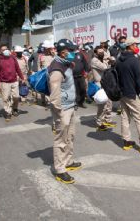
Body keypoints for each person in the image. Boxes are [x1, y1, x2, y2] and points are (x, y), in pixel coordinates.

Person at [48, 39, 81, 184]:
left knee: (70, 135)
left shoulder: (65, 63)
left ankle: (67, 160)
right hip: (62, 109)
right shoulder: (56, 68)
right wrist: (59, 112)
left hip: (70, 106)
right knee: (61, 139)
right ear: (63, 52)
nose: (74, 52)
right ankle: (60, 169)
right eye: (71, 50)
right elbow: (54, 95)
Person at [0, 44, 25, 121]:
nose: (5, 50)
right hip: (4, 82)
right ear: (0, 51)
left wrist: (22, 77)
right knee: (5, 98)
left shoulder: (13, 58)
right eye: (3, 49)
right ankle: (8, 112)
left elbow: (17, 68)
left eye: (6, 49)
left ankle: (15, 108)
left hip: (14, 81)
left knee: (16, 97)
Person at [91, 46, 116, 131]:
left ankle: (107, 119)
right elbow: (105, 67)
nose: (102, 53)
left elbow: (112, 61)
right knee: (102, 106)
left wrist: (109, 58)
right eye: (100, 52)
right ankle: (99, 123)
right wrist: (108, 60)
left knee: (109, 103)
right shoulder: (94, 60)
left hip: (106, 83)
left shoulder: (102, 59)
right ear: (95, 53)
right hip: (99, 85)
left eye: (103, 51)